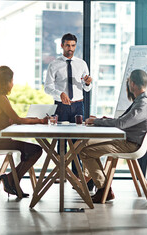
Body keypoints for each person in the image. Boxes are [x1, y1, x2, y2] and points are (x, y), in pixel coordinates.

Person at [79, 69, 147, 203]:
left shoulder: (143, 103)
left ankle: (104, 189)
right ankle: (88, 177)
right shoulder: (143, 100)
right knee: (86, 143)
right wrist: (102, 119)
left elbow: (121, 123)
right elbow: (125, 120)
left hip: (131, 144)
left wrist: (96, 121)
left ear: (132, 84)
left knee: (85, 152)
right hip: (128, 140)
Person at [44, 33, 93, 181]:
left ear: (75, 46)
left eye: (73, 46)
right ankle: (62, 173)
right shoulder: (54, 64)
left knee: (77, 141)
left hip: (78, 106)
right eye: (67, 45)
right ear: (62, 46)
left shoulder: (82, 64)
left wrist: (88, 83)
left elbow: (87, 89)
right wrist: (60, 94)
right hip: (61, 106)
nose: (70, 49)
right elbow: (47, 88)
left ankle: (77, 175)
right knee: (61, 140)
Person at [0, 66, 47, 198]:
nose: (12, 84)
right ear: (5, 83)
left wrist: (30, 120)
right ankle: (11, 179)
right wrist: (39, 121)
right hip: (0, 142)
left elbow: (10, 119)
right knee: (36, 150)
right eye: (11, 81)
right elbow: (17, 119)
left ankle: (11, 179)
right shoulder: (1, 98)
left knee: (32, 149)